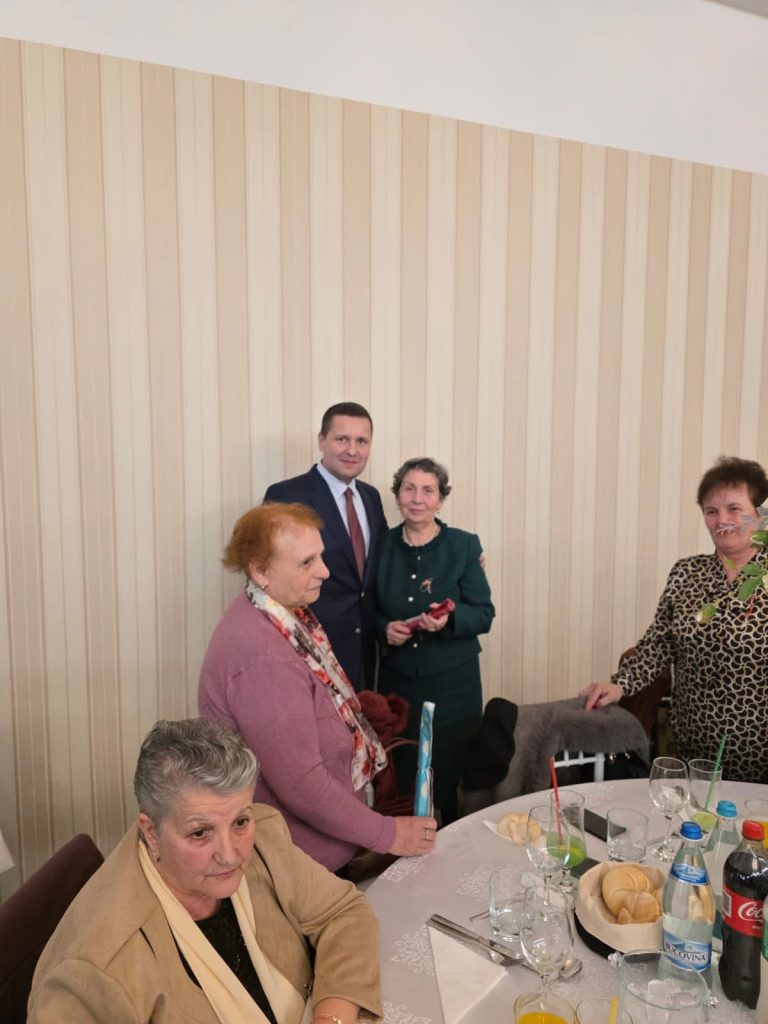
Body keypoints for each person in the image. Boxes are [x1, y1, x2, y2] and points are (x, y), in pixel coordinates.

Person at [28, 718, 382, 1024]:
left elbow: (344, 913)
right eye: (200, 833)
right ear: (151, 832)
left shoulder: (264, 840)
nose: (229, 856)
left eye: (240, 822)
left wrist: (330, 1018)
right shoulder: (95, 966)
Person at [198, 502, 436, 872]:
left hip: (320, 848)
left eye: (321, 556)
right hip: (302, 865)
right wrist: (389, 834)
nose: (324, 571)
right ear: (259, 570)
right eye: (306, 562)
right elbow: (302, 784)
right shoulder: (264, 658)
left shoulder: (278, 614)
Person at [581, 456, 768, 783]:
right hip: (694, 748)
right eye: (711, 511)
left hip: (759, 754)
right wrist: (619, 684)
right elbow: (659, 644)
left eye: (734, 509)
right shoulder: (687, 573)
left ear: (761, 514)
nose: (721, 520)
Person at [376, 457, 495, 824]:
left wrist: (450, 619)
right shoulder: (380, 546)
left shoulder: (463, 545)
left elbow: (484, 613)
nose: (417, 498)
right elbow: (366, 610)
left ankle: (454, 840)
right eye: (409, 489)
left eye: (428, 491)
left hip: (454, 686)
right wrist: (385, 628)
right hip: (399, 686)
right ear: (397, 496)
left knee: (451, 772)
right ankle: (409, 843)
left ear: (441, 500)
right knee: (405, 769)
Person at [264, 402, 386, 690]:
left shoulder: (371, 497)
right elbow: (268, 577)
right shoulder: (287, 495)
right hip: (310, 652)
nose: (352, 450)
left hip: (366, 653)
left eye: (361, 441)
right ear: (321, 440)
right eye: (342, 439)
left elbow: (385, 558)